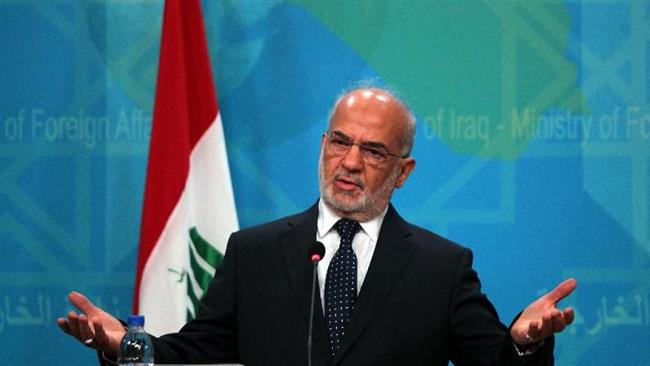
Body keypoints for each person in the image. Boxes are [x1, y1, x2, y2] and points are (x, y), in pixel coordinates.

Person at [58, 87, 576, 365]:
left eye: (373, 150)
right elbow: (194, 355)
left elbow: (492, 361)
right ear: (323, 145)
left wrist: (523, 342)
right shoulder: (254, 251)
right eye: (338, 141)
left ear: (402, 172)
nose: (350, 162)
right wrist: (127, 344)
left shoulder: (442, 266)